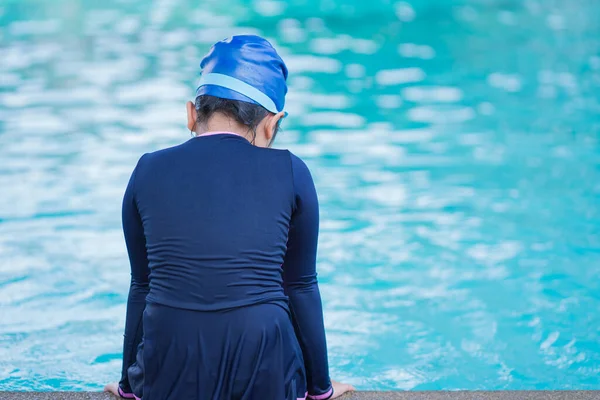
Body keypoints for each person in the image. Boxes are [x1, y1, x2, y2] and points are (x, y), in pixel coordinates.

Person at [103, 35, 355, 400]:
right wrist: (320, 389)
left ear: (191, 114)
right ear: (272, 124)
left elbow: (141, 286)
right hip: (264, 368)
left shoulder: (147, 169)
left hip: (168, 369)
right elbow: (300, 287)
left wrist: (129, 385)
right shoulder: (291, 170)